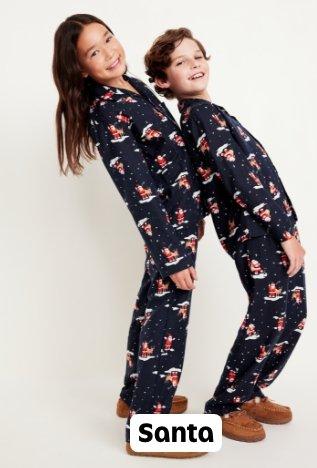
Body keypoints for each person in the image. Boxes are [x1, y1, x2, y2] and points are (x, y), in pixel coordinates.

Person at [52, 15, 208, 458]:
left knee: (149, 306)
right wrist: (173, 254)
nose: (109, 52)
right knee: (167, 318)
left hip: (179, 222)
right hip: (166, 231)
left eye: (107, 38)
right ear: (82, 68)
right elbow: (138, 192)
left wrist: (193, 214)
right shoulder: (107, 110)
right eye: (94, 53)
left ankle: (134, 395)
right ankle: (148, 425)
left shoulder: (134, 85)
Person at [144, 27, 307, 443]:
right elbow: (241, 180)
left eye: (197, 56)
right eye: (181, 62)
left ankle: (251, 390)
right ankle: (225, 404)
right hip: (256, 230)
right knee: (268, 313)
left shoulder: (212, 113)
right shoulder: (199, 116)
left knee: (292, 313)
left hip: (269, 226)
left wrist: (286, 225)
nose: (194, 64)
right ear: (163, 80)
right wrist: (284, 232)